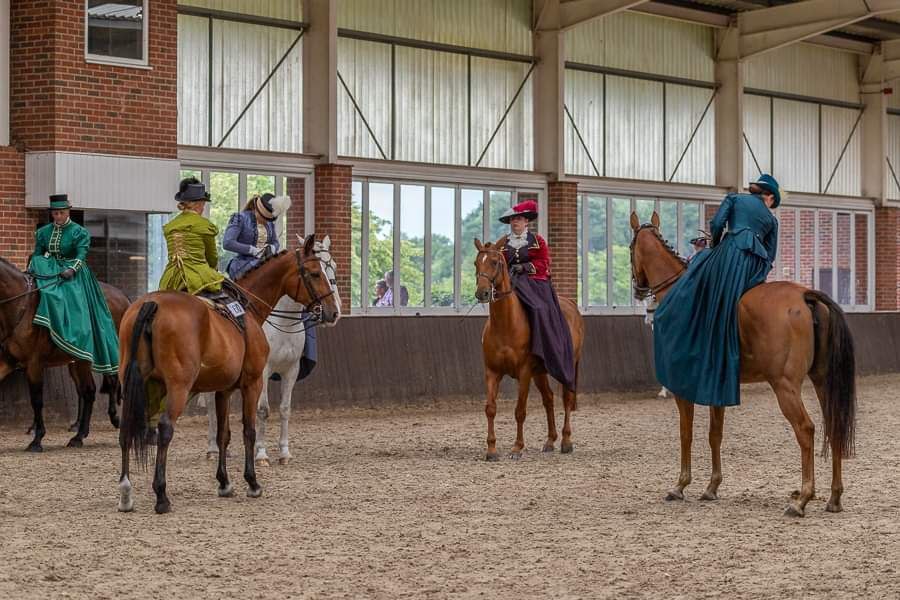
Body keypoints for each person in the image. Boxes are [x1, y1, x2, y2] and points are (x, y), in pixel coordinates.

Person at [653, 174, 781, 407]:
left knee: (697, 269)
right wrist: (758, 273)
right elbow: (771, 255)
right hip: (754, 265)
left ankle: (690, 326)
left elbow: (716, 224)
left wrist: (715, 244)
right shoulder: (772, 221)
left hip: (731, 252)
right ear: (769, 197)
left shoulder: (734, 199)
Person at [27, 194, 119, 374]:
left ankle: (73, 332)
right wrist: (34, 266)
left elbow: (81, 255)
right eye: (55, 214)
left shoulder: (79, 232)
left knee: (69, 295)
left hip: (72, 270)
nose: (58, 217)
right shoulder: (43, 232)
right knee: (41, 285)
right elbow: (38, 253)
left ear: (68, 212)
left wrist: (72, 269)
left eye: (61, 213)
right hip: (50, 268)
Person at [497, 200, 576, 389]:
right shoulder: (503, 243)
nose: (515, 223)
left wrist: (524, 266)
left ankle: (543, 347)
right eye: (512, 220)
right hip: (512, 282)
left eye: (518, 219)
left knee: (539, 308)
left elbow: (543, 263)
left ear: (526, 222)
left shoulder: (537, 241)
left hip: (535, 282)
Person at [158, 177, 225, 295]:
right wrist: (213, 271)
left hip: (170, 278)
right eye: (203, 204)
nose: (203, 208)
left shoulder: (171, 225)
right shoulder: (203, 224)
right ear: (198, 204)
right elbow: (212, 257)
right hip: (197, 277)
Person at [223, 192, 291, 280]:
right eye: (264, 218)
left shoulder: (269, 223)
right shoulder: (240, 218)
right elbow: (228, 243)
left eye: (268, 219)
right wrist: (252, 250)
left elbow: (275, 242)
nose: (266, 222)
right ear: (257, 210)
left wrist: (271, 248)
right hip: (243, 265)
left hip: (264, 264)